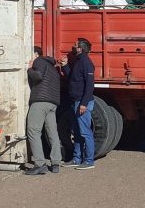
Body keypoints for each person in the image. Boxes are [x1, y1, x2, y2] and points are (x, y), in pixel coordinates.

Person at [25, 46, 62, 175]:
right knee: (52, 133)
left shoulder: (39, 61)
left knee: (33, 131)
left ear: (36, 54)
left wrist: (29, 69)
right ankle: (56, 162)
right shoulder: (53, 68)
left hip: (40, 101)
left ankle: (39, 164)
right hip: (52, 103)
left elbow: (38, 76)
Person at [60, 38, 96, 170]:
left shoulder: (86, 63)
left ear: (80, 48)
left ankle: (89, 161)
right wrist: (65, 65)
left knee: (85, 132)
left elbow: (89, 85)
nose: (73, 46)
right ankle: (76, 159)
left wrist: (84, 103)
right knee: (77, 131)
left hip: (81, 103)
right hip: (75, 101)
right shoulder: (77, 61)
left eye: (75, 45)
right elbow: (72, 79)